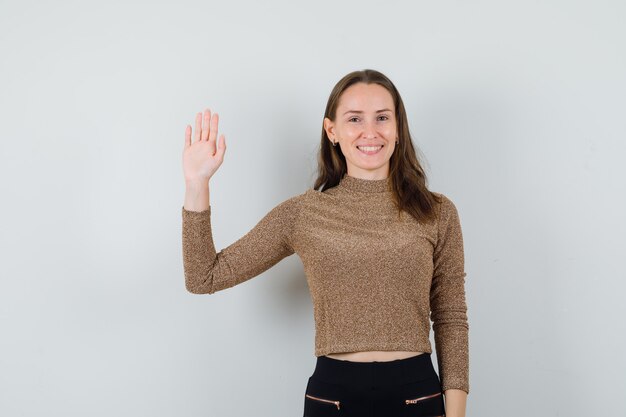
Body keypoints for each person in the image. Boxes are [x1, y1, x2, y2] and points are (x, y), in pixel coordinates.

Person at [181, 69, 469, 417]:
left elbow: (450, 316)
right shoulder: (304, 213)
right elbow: (204, 276)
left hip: (416, 395)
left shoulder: (437, 211)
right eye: (354, 119)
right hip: (335, 398)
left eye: (382, 117)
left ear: (397, 128)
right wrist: (197, 184)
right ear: (332, 130)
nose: (370, 131)